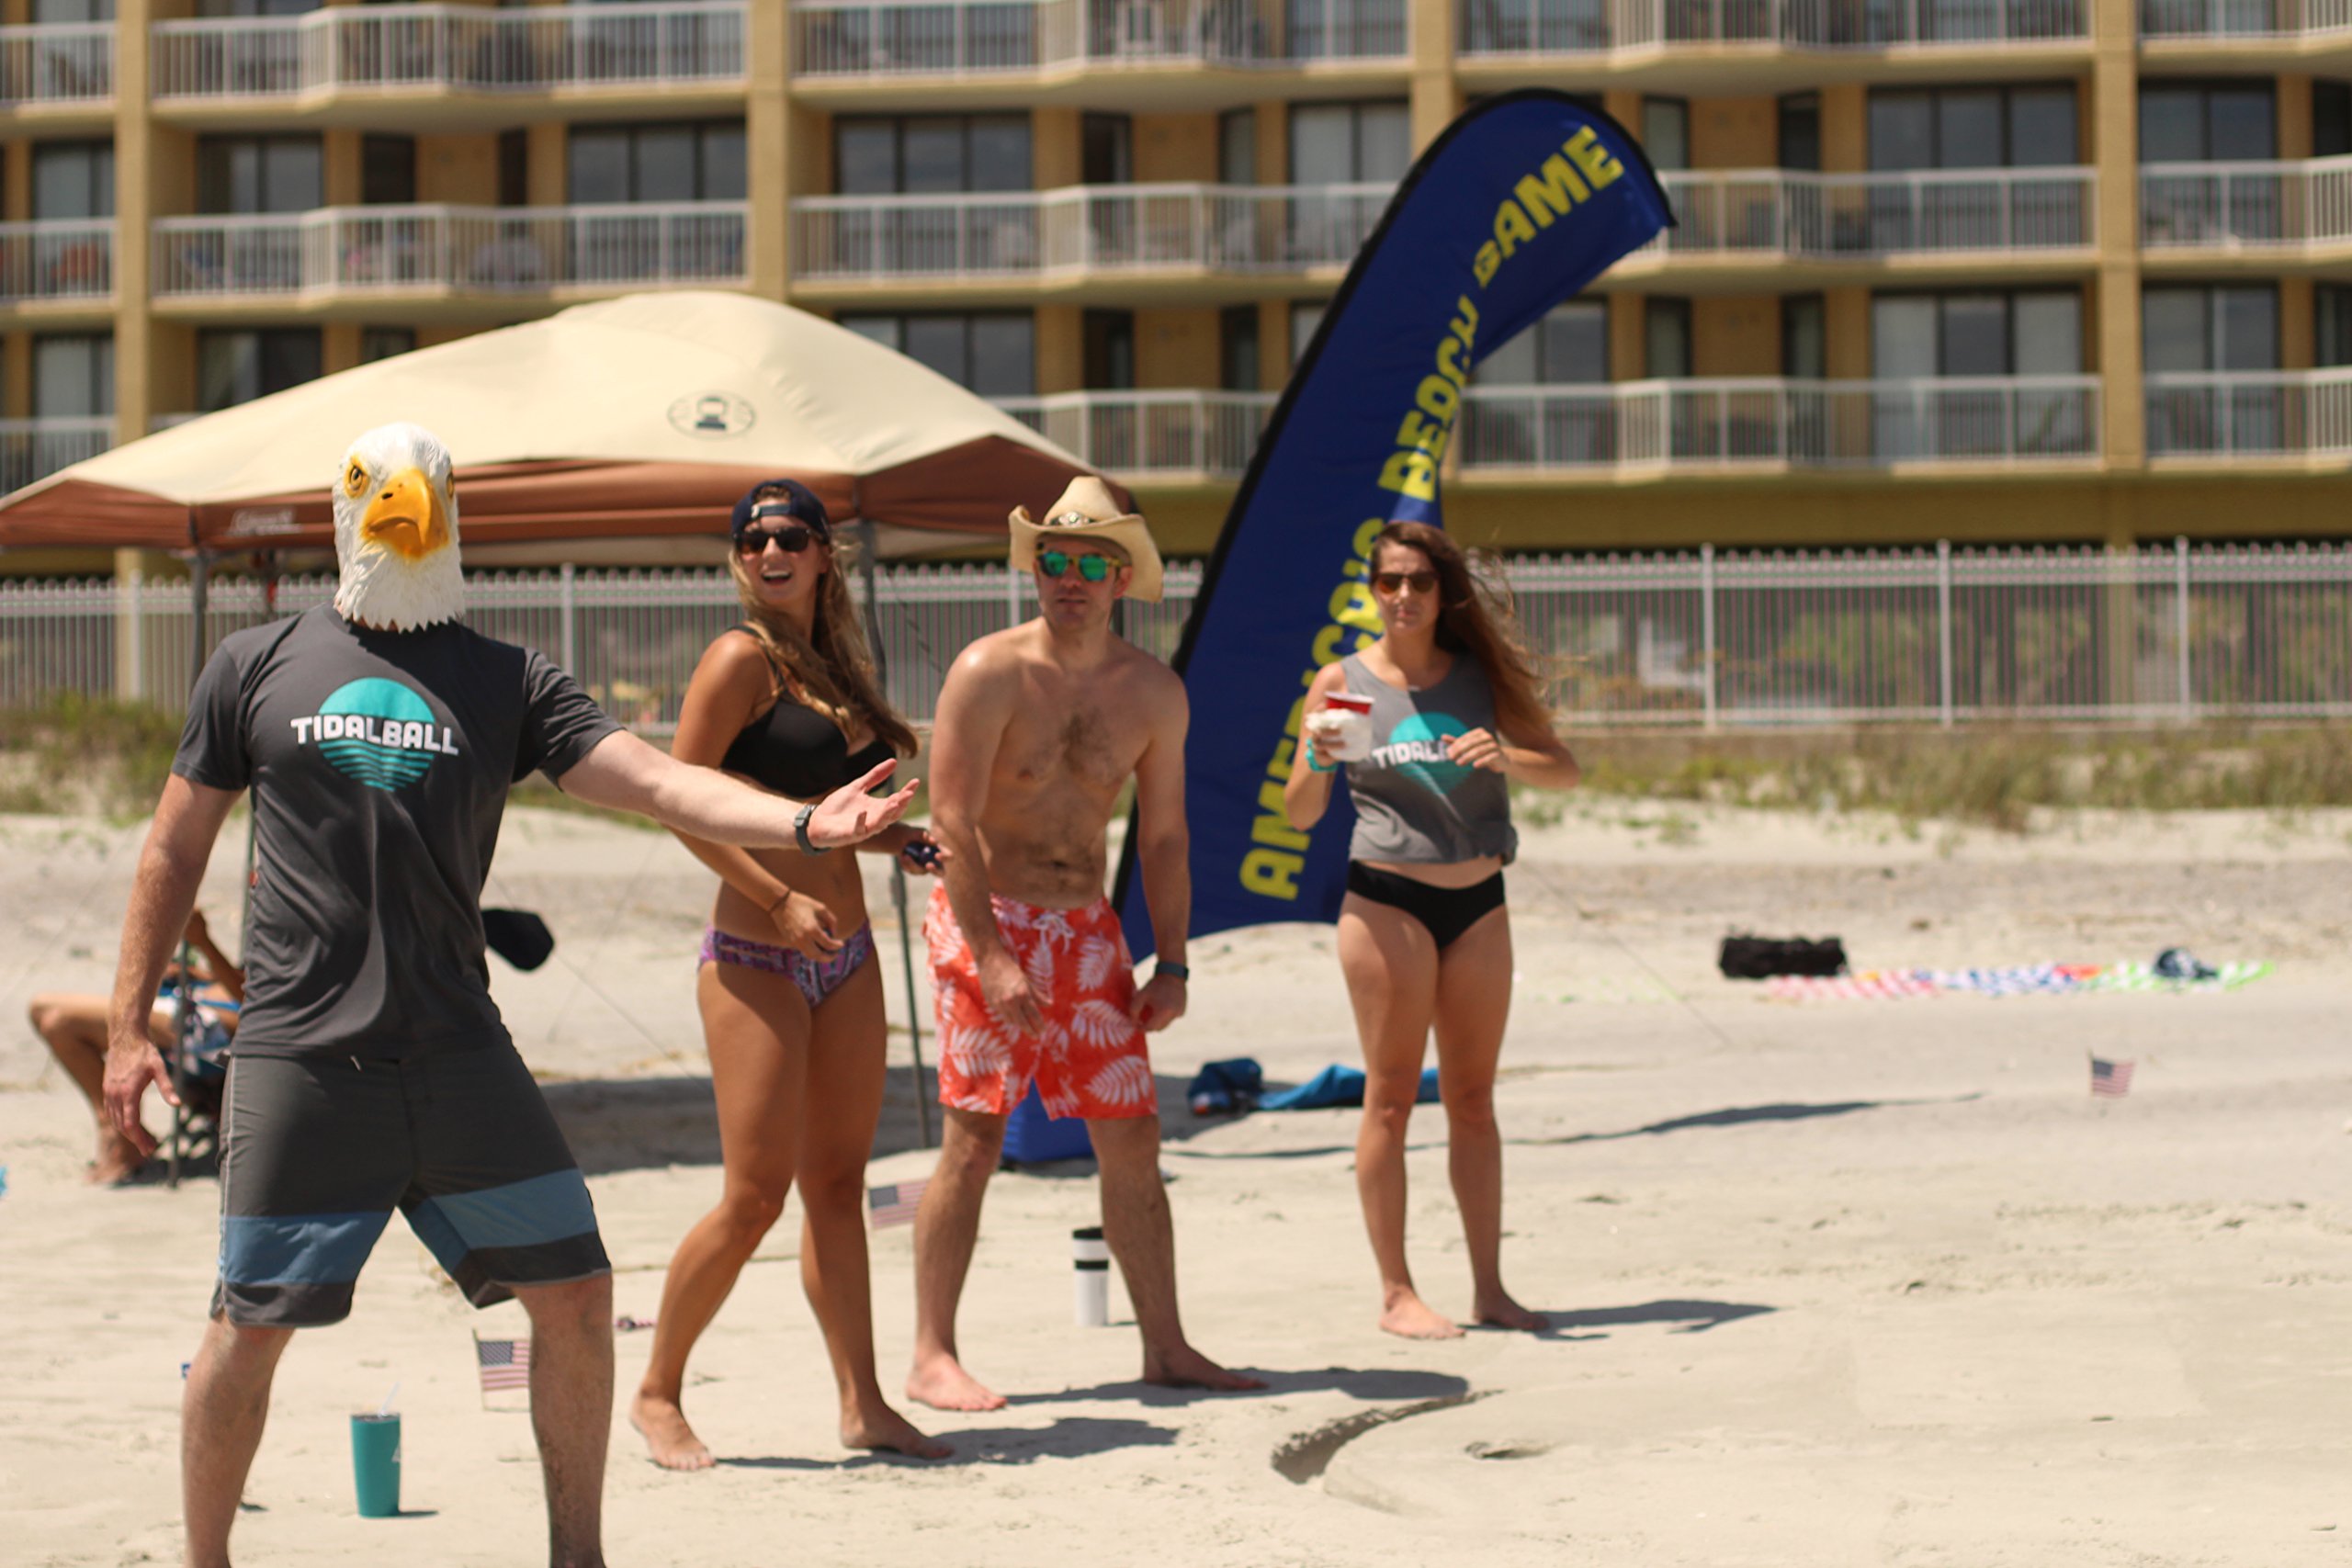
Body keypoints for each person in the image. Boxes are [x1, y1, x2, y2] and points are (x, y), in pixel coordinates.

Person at [100, 424, 919, 1568]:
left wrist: (801, 823)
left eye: (421, 490)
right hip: (302, 1061)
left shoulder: (507, 678)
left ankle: (577, 1556)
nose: (399, 507)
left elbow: (652, 778)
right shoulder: (254, 662)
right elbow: (172, 849)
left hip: (459, 1054)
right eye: (375, 489)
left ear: (450, 515)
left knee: (577, 1296)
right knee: (249, 1323)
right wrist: (127, 1026)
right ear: (344, 510)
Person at [906, 475, 1262, 1412]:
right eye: (1053, 559)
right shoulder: (988, 670)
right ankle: (932, 1353)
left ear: (1120, 578)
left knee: (1133, 1133)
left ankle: (1166, 1346)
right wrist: (990, 954)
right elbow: (949, 821)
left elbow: (1166, 837)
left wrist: (1172, 961)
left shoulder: (1153, 692)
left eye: (1090, 563)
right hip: (985, 914)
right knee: (975, 1136)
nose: (1068, 577)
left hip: (1087, 929)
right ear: (1035, 569)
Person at [631, 480, 951, 1470]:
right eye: (751, 539)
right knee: (754, 1196)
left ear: (822, 553)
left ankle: (863, 1403)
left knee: (839, 1187)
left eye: (788, 536)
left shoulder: (834, 665)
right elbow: (678, 800)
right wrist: (775, 899)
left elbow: (820, 813)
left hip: (846, 954)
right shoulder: (740, 658)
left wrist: (896, 839)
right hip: (758, 953)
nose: (768, 552)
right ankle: (656, 1391)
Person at [1282, 520, 1580, 1340]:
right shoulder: (1344, 683)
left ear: (1443, 591)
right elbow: (1300, 812)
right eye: (1389, 582)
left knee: (1474, 1100)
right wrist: (1318, 756)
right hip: (1388, 903)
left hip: (1479, 901)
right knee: (1389, 1100)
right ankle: (1397, 1293)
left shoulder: (1478, 677)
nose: (1404, 595)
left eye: (1419, 580)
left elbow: (1563, 766)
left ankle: (1491, 1288)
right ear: (1372, 590)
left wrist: (1506, 757)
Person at [32, 908, 241, 1184]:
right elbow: (237, 981)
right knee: (50, 1017)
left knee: (54, 1016)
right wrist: (195, 972)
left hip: (213, 1029)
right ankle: (117, 1128)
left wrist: (204, 942)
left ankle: (118, 1131)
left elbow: (252, 1001)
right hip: (194, 1009)